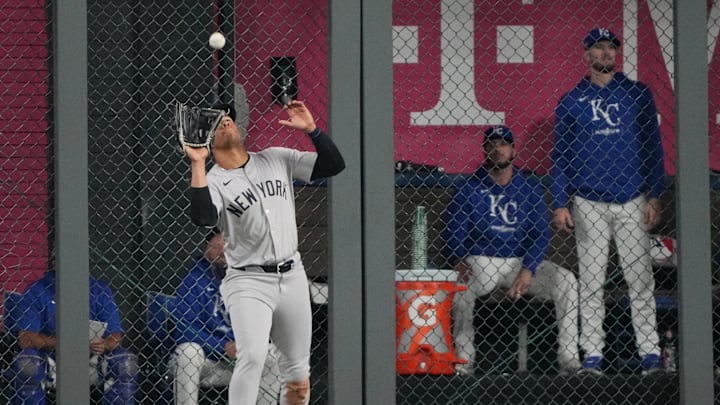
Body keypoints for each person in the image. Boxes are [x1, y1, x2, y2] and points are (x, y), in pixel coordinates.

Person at [183, 100, 345, 405]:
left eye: (228, 117)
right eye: (217, 122)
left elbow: (334, 165)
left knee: (297, 368)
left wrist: (313, 130)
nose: (226, 121)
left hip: (293, 274)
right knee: (253, 357)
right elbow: (203, 216)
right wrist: (197, 163)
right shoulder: (213, 180)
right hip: (248, 281)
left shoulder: (275, 158)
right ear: (205, 139)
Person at [551, 27, 666, 374]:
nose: (605, 54)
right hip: (588, 200)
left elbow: (653, 148)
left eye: (610, 48)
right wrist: (560, 201)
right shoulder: (571, 100)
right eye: (598, 48)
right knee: (591, 281)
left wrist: (655, 195)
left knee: (640, 278)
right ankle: (593, 355)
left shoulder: (636, 94)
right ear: (586, 55)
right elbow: (560, 157)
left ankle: (650, 353)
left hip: (632, 198)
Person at [444, 125, 581, 375]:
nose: (498, 149)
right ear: (484, 151)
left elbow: (540, 233)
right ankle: (464, 361)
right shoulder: (468, 187)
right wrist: (458, 258)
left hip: (519, 261)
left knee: (567, 281)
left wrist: (529, 269)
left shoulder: (528, 187)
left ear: (514, 151)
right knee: (460, 287)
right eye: (492, 144)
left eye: (503, 144)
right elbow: (454, 231)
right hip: (481, 260)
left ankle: (568, 359)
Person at [172, 228, 281, 405]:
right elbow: (184, 330)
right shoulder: (192, 281)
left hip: (239, 362)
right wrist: (222, 346)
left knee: (273, 355)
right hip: (205, 362)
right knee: (188, 351)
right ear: (205, 248)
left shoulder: (249, 280)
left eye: (229, 247)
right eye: (217, 247)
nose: (223, 253)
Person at [8, 270, 138, 404]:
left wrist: (104, 344)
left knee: (126, 363)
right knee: (28, 364)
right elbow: (26, 339)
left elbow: (115, 336)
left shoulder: (99, 289)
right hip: (50, 360)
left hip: (91, 358)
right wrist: (64, 343)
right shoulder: (36, 290)